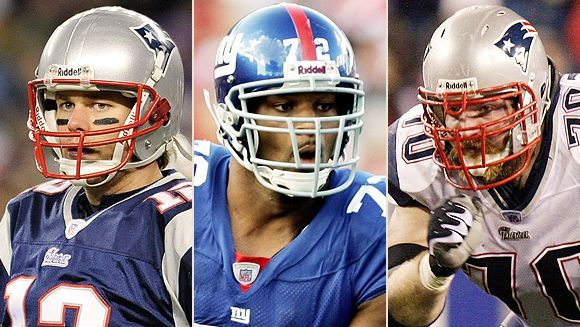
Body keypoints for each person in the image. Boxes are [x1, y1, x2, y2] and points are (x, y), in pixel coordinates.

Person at [194, 3, 386, 326]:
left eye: (325, 106)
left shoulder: (371, 221)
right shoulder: (187, 191)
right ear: (234, 116)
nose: (311, 127)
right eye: (284, 106)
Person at [388, 4, 579, 327]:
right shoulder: (421, 156)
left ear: (537, 96)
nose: (466, 129)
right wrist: (433, 270)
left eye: (486, 107)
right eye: (453, 109)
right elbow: (404, 311)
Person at [0, 6, 192, 325]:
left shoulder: (185, 226)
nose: (74, 123)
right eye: (65, 103)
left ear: (158, 112)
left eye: (99, 103)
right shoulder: (25, 213)